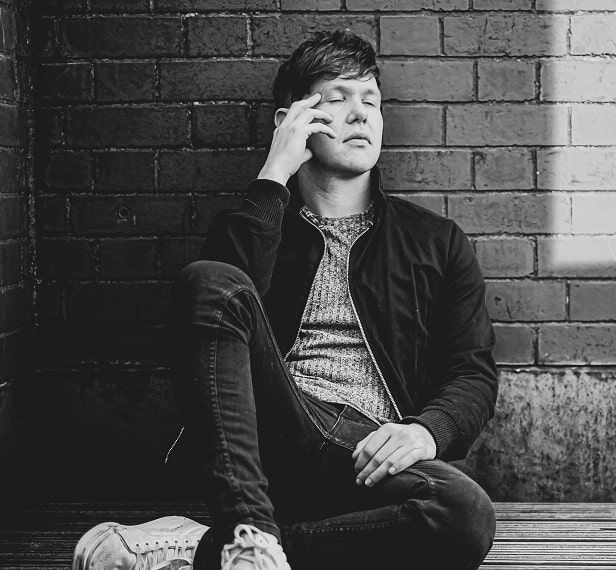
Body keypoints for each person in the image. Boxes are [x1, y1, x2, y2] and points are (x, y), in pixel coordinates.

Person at [72, 29, 499, 570]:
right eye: (338, 99)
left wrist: (425, 431)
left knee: (464, 513)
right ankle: (248, 527)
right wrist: (275, 172)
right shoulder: (257, 224)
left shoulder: (435, 242)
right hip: (270, 439)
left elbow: (472, 372)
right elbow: (215, 309)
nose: (360, 115)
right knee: (210, 280)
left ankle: (217, 547)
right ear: (292, 120)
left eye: (371, 102)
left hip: (368, 456)